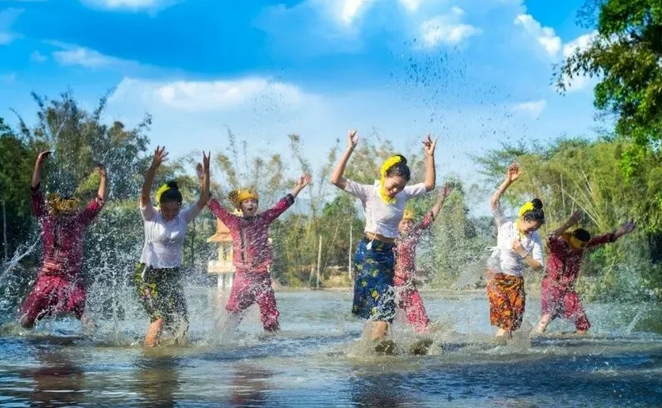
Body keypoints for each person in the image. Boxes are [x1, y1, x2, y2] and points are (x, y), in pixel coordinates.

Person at [331, 130, 437, 348]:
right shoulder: (369, 192)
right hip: (369, 252)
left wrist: (429, 156)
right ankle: (378, 346)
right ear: (384, 175)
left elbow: (429, 185)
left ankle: (369, 348)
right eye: (393, 185)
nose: (395, 190)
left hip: (389, 254)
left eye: (400, 186)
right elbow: (336, 179)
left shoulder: (402, 194)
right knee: (385, 304)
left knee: (382, 303)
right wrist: (350, 148)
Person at [208, 174, 312, 332]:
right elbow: (214, 206)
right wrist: (203, 180)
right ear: (240, 206)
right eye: (247, 201)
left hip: (261, 276)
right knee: (233, 314)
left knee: (270, 316)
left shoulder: (263, 219)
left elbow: (281, 206)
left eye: (254, 201)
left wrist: (298, 187)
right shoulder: (233, 222)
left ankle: (272, 344)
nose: (251, 204)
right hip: (242, 276)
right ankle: (225, 340)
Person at [20, 151, 107, 331]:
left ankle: (94, 347)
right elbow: (35, 191)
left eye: (71, 211)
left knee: (85, 317)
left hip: (70, 280)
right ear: (57, 210)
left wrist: (104, 177)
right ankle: (27, 347)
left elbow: (99, 202)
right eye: (64, 211)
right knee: (27, 321)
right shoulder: (47, 220)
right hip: (47, 279)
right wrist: (38, 163)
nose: (68, 215)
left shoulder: (79, 221)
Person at [135, 146, 210, 347]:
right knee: (159, 319)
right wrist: (154, 166)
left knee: (182, 324)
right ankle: (149, 362)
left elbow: (204, 200)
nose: (169, 214)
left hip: (172, 274)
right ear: (160, 206)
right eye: (166, 210)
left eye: (174, 210)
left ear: (179, 207)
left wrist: (206, 176)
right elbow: (144, 194)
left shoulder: (183, 218)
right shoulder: (151, 216)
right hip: (147, 274)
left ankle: (170, 360)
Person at [535, 210, 636, 334]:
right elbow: (549, 236)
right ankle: (534, 340)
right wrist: (570, 223)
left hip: (567, 290)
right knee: (547, 317)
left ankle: (574, 343)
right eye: (576, 246)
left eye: (580, 248)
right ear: (571, 240)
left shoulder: (582, 246)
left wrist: (621, 231)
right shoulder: (558, 243)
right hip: (551, 287)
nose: (577, 250)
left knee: (582, 324)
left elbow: (604, 239)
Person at [487, 162, 544, 340]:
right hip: (496, 276)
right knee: (505, 321)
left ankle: (503, 354)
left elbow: (538, 267)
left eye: (535, 229)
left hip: (516, 282)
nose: (531, 231)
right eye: (530, 227)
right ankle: (494, 352)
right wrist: (508, 181)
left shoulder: (534, 238)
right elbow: (494, 202)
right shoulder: (506, 224)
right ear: (523, 218)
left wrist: (522, 252)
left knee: (513, 324)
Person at [394, 184, 452, 334]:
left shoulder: (414, 234)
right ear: (397, 224)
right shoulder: (392, 238)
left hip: (409, 284)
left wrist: (441, 199)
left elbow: (429, 218)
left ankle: (422, 340)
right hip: (394, 284)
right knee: (387, 319)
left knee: (421, 319)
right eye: (404, 222)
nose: (407, 226)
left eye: (410, 222)